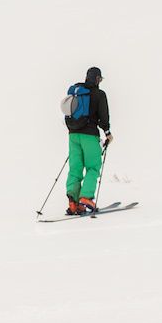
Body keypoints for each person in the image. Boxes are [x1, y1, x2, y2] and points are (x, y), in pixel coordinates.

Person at [65, 67, 113, 214]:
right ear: (97, 79)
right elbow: (103, 117)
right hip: (89, 135)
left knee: (75, 168)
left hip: (73, 135)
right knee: (93, 166)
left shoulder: (77, 91)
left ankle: (73, 203)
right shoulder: (99, 94)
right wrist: (107, 133)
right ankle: (85, 197)